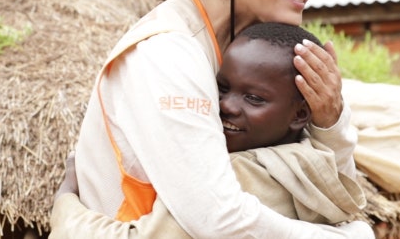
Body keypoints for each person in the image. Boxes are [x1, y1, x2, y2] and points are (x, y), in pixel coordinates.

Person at [51, 0, 382, 238]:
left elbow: (330, 194)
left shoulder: (262, 50)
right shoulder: (167, 54)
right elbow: (217, 220)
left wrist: (330, 121)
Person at [51, 22, 371, 238]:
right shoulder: (314, 166)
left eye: (254, 98)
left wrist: (66, 203)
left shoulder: (242, 176)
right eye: (221, 88)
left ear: (300, 114)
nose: (227, 105)